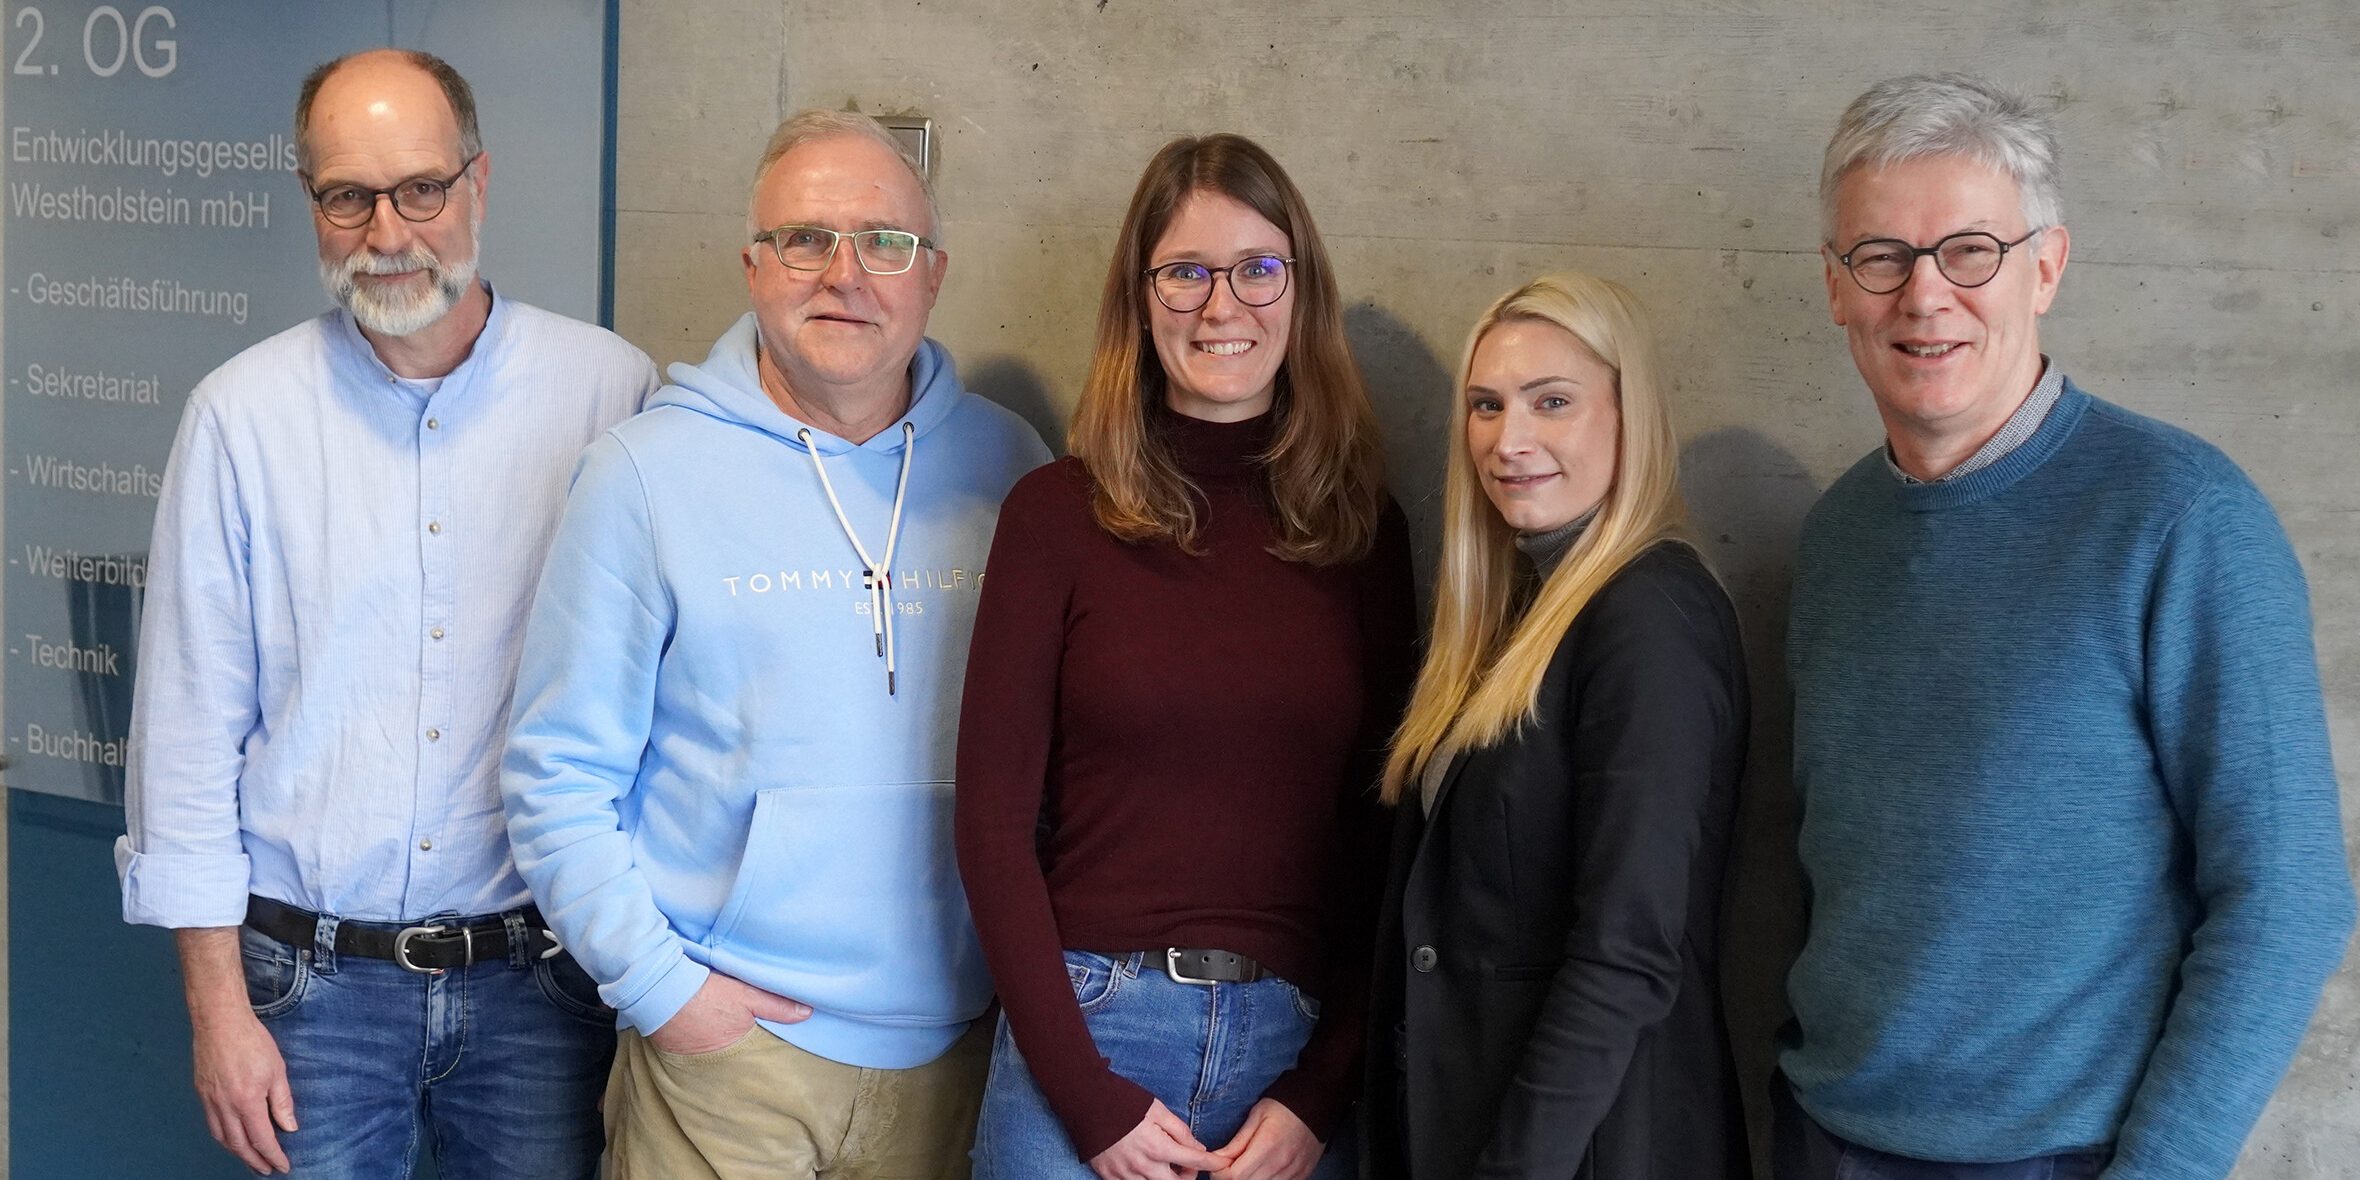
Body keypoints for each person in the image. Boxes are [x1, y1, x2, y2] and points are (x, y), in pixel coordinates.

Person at [1778, 73, 2356, 1180]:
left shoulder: (2182, 518)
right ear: (1835, 286)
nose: (1925, 295)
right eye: (1882, 256)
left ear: (2045, 267)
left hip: (2062, 1158)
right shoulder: (1838, 535)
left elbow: (2288, 899)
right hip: (1825, 1132)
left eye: (1970, 252)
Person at [115, 48, 658, 1178]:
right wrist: (219, 1015)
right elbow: (186, 739)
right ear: (309, 201)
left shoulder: (612, 393)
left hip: (544, 989)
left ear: (479, 181)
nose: (388, 232)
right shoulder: (240, 419)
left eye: (421, 189)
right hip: (307, 992)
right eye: (347, 197)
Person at [501, 108, 1049, 1180]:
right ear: (753, 267)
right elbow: (556, 773)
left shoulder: (1014, 467)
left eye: (884, 242)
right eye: (805, 239)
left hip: (965, 1054)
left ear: (933, 274)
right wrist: (664, 993)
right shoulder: (643, 476)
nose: (845, 274)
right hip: (727, 1067)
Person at [953, 133, 1414, 1180]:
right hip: (1086, 1037)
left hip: (1289, 1071)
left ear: (1301, 290)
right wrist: (1086, 1098)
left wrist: (1322, 1090)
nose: (1220, 307)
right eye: (1185, 274)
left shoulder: (1363, 532)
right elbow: (989, 828)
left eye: (1256, 269)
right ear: (1140, 295)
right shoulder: (1054, 516)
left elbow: (1384, 847)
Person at [1364, 274, 1748, 1180]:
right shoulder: (1526, 609)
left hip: (1584, 1147)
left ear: (1628, 415)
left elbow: (1628, 951)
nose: (1509, 440)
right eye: (1486, 405)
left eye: (1552, 402)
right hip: (1479, 1125)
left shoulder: (1650, 616)